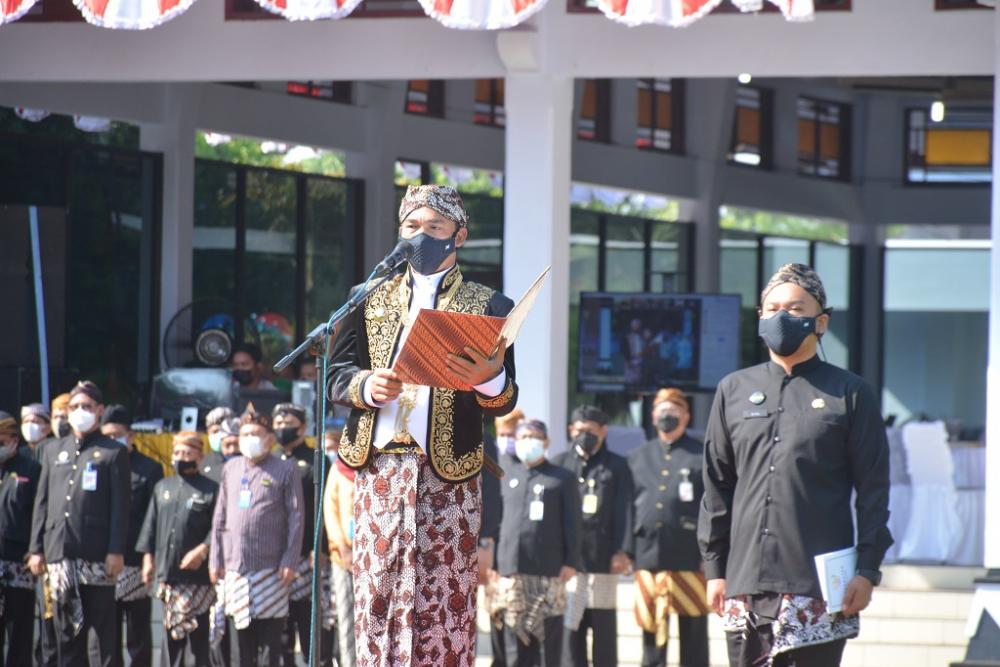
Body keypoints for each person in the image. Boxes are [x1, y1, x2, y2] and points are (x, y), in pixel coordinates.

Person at [328, 184, 519, 667]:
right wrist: (367, 386)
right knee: (378, 594)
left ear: (459, 235)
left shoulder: (490, 304)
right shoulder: (366, 296)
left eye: (434, 228)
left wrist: (488, 378)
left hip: (449, 474)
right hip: (380, 471)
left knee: (444, 599)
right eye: (411, 227)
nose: (421, 237)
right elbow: (336, 375)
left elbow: (505, 399)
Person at [698, 263, 893, 667]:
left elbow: (874, 490)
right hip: (746, 580)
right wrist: (714, 567)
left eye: (795, 308)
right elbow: (718, 485)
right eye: (772, 308)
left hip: (818, 584)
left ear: (821, 321)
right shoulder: (733, 390)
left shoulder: (851, 394)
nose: (782, 317)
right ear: (759, 317)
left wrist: (867, 569)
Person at [28, 380, 131, 667]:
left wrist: (115, 550)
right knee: (65, 631)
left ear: (99, 410)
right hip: (59, 553)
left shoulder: (113, 452)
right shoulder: (52, 449)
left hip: (97, 556)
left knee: (101, 634)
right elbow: (42, 502)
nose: (80, 412)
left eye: (86, 406)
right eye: (74, 407)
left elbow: (120, 507)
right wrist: (36, 548)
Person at [210, 404, 304, 667]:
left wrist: (290, 560)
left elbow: (296, 518)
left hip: (271, 569)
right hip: (235, 568)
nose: (250, 439)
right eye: (245, 434)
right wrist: (215, 559)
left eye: (256, 434)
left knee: (269, 645)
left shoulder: (286, 469)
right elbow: (220, 516)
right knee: (240, 646)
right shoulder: (231, 468)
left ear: (270, 440)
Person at [627, 388, 709, 667]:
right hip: (648, 554)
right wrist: (627, 551)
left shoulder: (702, 454)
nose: (667, 415)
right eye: (662, 409)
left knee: (694, 634)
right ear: (652, 416)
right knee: (651, 633)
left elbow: (714, 506)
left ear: (686, 416)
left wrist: (711, 555)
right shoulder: (638, 456)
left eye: (674, 410)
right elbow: (627, 506)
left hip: (690, 556)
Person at [494, 419, 581, 667]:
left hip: (549, 571)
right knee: (515, 639)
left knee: (548, 643)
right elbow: (498, 521)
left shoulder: (562, 478)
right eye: (522, 437)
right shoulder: (506, 474)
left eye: (534, 437)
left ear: (546, 443)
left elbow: (573, 524)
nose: (527, 442)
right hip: (512, 571)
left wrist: (571, 561)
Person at [552, 405, 633, 667]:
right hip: (569, 563)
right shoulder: (560, 464)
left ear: (603, 432)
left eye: (591, 431)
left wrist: (623, 551)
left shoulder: (618, 466)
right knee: (571, 628)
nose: (585, 435)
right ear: (570, 430)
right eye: (579, 430)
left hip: (603, 559)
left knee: (603, 631)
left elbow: (626, 510)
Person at [137, 431, 218, 667]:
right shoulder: (163, 486)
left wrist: (203, 549)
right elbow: (150, 526)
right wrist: (148, 559)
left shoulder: (211, 489)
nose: (181, 457)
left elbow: (220, 527)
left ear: (200, 457)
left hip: (198, 579)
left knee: (197, 640)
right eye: (177, 452)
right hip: (168, 576)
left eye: (187, 453)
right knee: (170, 639)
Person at [97, 404, 162, 667]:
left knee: (138, 633)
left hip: (135, 559)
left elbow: (153, 517)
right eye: (108, 435)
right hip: (101, 559)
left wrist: (149, 555)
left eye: (118, 435)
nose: (113, 441)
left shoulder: (149, 468)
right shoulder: (97, 463)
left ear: (131, 436)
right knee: (107, 631)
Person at [272, 401, 334, 667]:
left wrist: (321, 547)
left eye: (288, 425)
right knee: (280, 630)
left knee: (311, 625)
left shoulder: (316, 460)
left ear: (303, 427)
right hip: (276, 556)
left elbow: (325, 505)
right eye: (278, 425)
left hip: (309, 553)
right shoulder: (271, 460)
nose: (282, 429)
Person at [0, 410, 42, 667]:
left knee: (19, 636)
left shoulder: (31, 468)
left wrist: (37, 549)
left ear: (15, 440)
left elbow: (41, 513)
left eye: (2, 440)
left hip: (19, 564)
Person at [487, 408, 524, 667]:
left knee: (518, 617)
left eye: (512, 434)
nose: (506, 439)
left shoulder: (526, 467)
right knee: (495, 613)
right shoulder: (489, 460)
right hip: (494, 550)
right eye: (502, 434)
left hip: (518, 552)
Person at [322, 416, 356, 667]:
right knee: (345, 618)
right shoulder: (339, 469)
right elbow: (329, 511)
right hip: (342, 558)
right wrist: (342, 548)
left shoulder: (376, 464)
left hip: (376, 559)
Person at [202, 406, 234, 482]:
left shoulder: (248, 460)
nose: (220, 435)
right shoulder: (203, 463)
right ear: (208, 434)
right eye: (215, 432)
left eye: (223, 431)